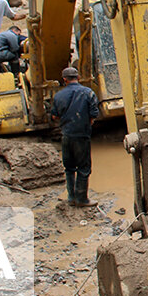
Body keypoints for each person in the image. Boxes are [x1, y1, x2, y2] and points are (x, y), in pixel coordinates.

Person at [51, 66, 100, 206]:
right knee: (84, 168)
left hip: (66, 135)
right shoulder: (88, 93)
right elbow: (94, 114)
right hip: (82, 135)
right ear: (78, 78)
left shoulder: (58, 95)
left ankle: (71, 198)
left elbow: (54, 115)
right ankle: (82, 199)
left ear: (64, 80)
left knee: (69, 168)